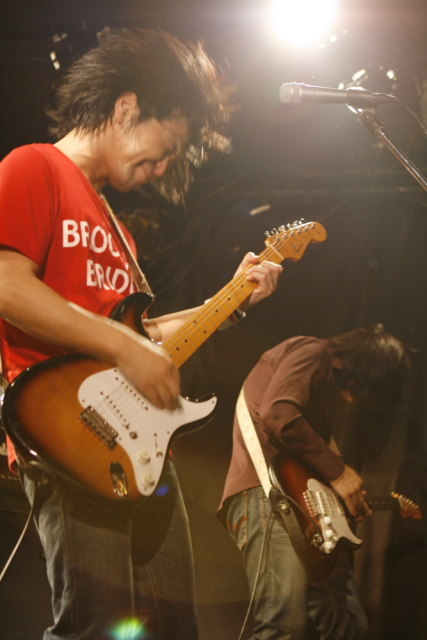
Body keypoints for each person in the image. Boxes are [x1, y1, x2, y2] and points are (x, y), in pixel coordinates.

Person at [0, 29, 283, 640]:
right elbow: (6, 285)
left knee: (174, 627)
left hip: (143, 454)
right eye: (166, 148)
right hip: (69, 433)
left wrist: (229, 301)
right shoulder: (34, 166)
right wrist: (122, 345)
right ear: (126, 107)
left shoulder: (120, 231)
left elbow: (140, 333)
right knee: (96, 626)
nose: (164, 168)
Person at [218, 325, 410, 640]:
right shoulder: (313, 352)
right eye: (368, 393)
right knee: (282, 626)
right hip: (268, 499)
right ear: (366, 373)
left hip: (302, 510)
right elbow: (278, 413)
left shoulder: (323, 395)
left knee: (349, 626)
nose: (355, 403)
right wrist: (340, 473)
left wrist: (341, 503)